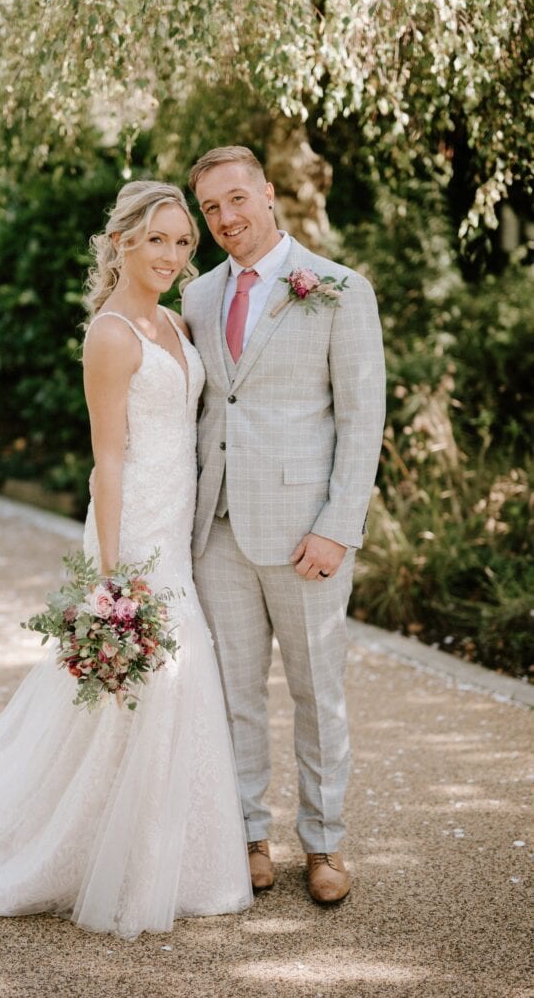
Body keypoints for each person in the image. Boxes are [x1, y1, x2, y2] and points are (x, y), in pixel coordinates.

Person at [0, 180, 252, 940]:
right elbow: (106, 460)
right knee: (138, 688)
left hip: (180, 521)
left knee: (177, 685)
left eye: (181, 242)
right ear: (122, 243)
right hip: (134, 532)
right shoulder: (111, 335)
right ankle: (97, 856)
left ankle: (176, 853)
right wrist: (110, 579)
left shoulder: (173, 322)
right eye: (157, 239)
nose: (172, 255)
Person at [183, 146, 386, 904]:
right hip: (218, 533)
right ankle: (247, 837)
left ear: (268, 194)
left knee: (315, 693)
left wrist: (338, 526)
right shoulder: (197, 297)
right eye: (210, 209)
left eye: (237, 199)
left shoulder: (338, 289)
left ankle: (325, 846)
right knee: (232, 693)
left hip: (307, 535)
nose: (227, 218)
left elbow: (362, 419)